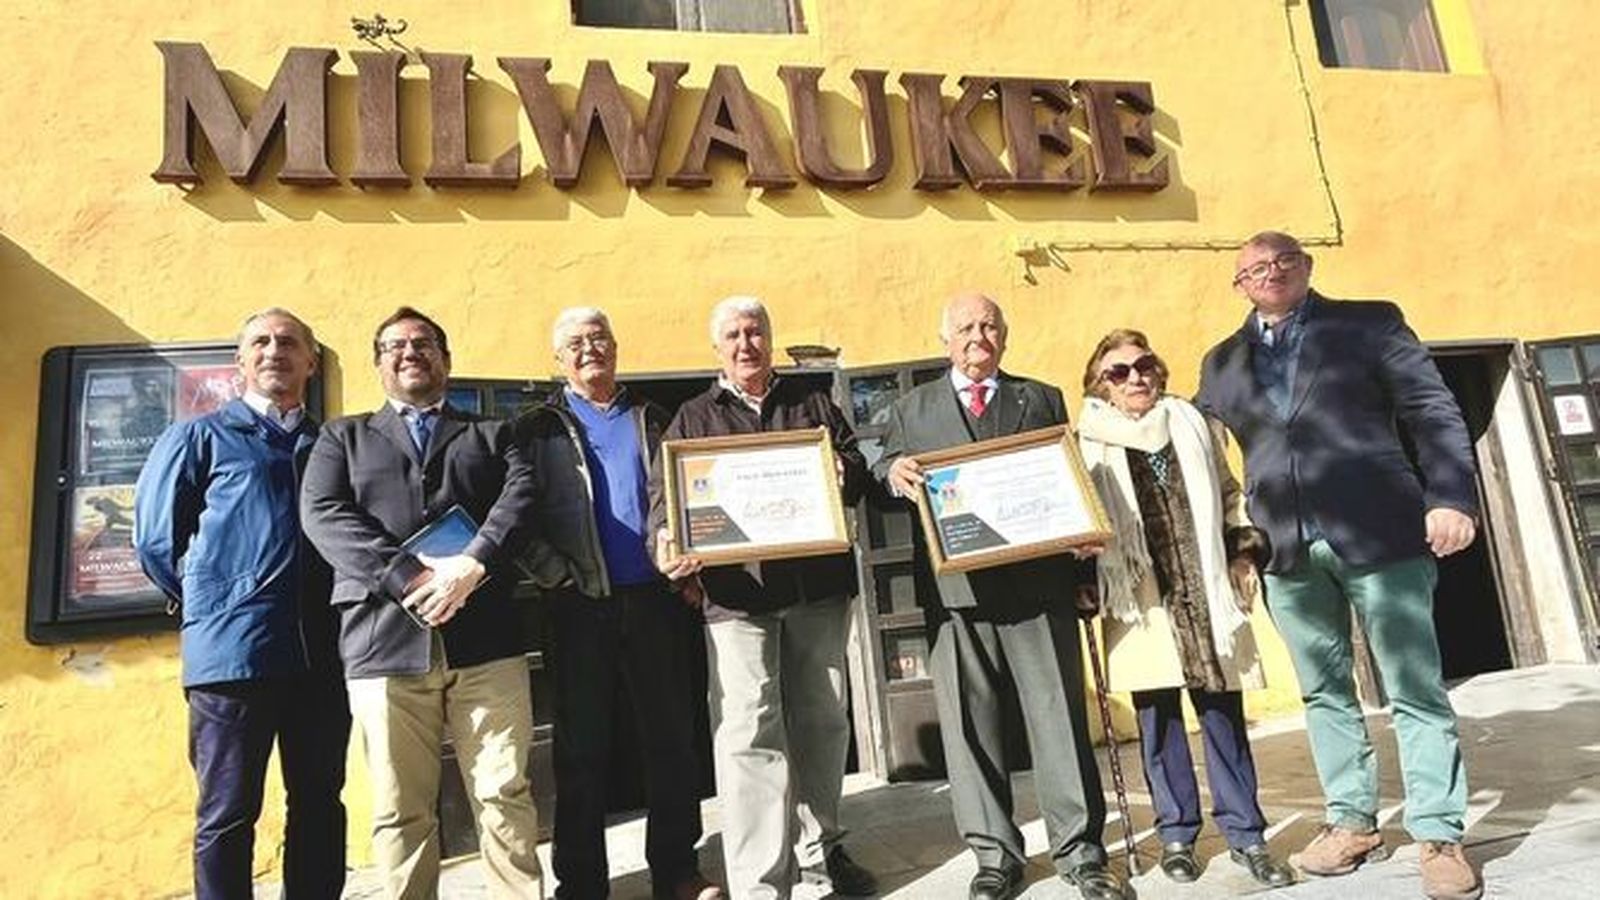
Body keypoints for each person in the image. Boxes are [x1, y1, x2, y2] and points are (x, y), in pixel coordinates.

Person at [1196, 231, 1482, 900]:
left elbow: (1430, 409)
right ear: (1239, 284)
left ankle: (1439, 833)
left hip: (1381, 532)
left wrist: (1449, 496)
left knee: (1413, 686)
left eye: (1283, 261)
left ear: (1307, 266)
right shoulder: (1221, 362)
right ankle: (1352, 822)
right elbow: (1200, 456)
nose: (1270, 274)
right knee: (1323, 691)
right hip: (1284, 547)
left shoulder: (1369, 322)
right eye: (1254, 268)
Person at [876, 292, 1129, 900]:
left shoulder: (1040, 398)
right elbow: (885, 469)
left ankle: (1080, 852)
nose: (977, 336)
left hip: (1039, 586)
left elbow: (1065, 482)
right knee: (969, 728)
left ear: (1005, 337)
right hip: (955, 595)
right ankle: (995, 856)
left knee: (1058, 719)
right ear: (945, 339)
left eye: (989, 325)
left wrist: (1082, 562)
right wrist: (893, 472)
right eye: (965, 327)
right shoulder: (911, 408)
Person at [300, 306, 543, 900]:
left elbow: (522, 497)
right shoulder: (342, 436)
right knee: (398, 806)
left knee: (503, 793)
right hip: (382, 643)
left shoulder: (491, 433)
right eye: (396, 346)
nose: (411, 353)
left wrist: (473, 562)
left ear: (446, 359)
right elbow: (323, 514)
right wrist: (409, 576)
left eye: (424, 344)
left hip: (487, 641)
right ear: (379, 363)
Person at [649, 296, 877, 900]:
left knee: (823, 724)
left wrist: (840, 473)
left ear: (770, 339)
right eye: (733, 334)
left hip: (818, 590)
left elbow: (854, 466)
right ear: (716, 346)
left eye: (755, 332)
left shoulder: (813, 404)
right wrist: (666, 543)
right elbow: (663, 504)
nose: (745, 343)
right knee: (749, 731)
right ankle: (760, 882)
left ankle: (820, 854)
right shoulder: (692, 419)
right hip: (736, 599)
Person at [134, 308, 349, 900]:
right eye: (261, 341)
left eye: (289, 342)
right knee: (228, 813)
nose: (274, 350)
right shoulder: (198, 437)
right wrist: (214, 602)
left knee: (319, 803)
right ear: (241, 362)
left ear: (311, 361)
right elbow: (156, 542)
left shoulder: (328, 444)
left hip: (321, 656)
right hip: (232, 659)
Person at [513, 307, 723, 900]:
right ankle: (580, 884)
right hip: (579, 605)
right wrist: (555, 575)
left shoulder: (654, 418)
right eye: (575, 343)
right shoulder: (537, 429)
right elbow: (515, 516)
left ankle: (678, 871)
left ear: (616, 346)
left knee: (672, 742)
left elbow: (689, 495)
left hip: (655, 601)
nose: (589, 349)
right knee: (581, 750)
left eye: (599, 338)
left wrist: (690, 564)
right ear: (558, 359)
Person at [1075, 329, 1294, 887]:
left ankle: (1247, 834)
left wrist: (1243, 551)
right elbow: (1082, 517)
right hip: (1141, 597)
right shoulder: (1087, 441)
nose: (1136, 377)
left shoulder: (1192, 424)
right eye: (1119, 372)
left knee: (1221, 712)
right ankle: (1176, 833)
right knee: (1160, 720)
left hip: (1206, 589)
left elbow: (1227, 493)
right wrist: (1084, 575)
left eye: (1144, 365)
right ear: (1100, 386)